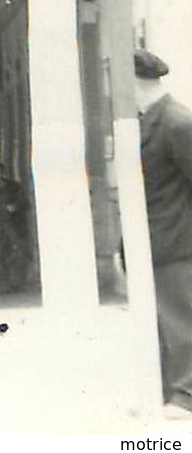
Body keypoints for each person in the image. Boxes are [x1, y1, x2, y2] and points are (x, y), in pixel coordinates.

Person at [135, 48, 192, 416]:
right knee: (161, 321)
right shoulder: (149, 120)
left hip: (177, 240)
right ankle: (169, 393)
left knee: (181, 319)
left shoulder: (177, 123)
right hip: (154, 241)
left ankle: (186, 394)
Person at [0, 161, 29, 293]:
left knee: (18, 252)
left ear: (2, 173)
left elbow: (24, 203)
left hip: (13, 224)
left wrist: (15, 207)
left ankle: (15, 280)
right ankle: (3, 284)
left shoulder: (14, 187)